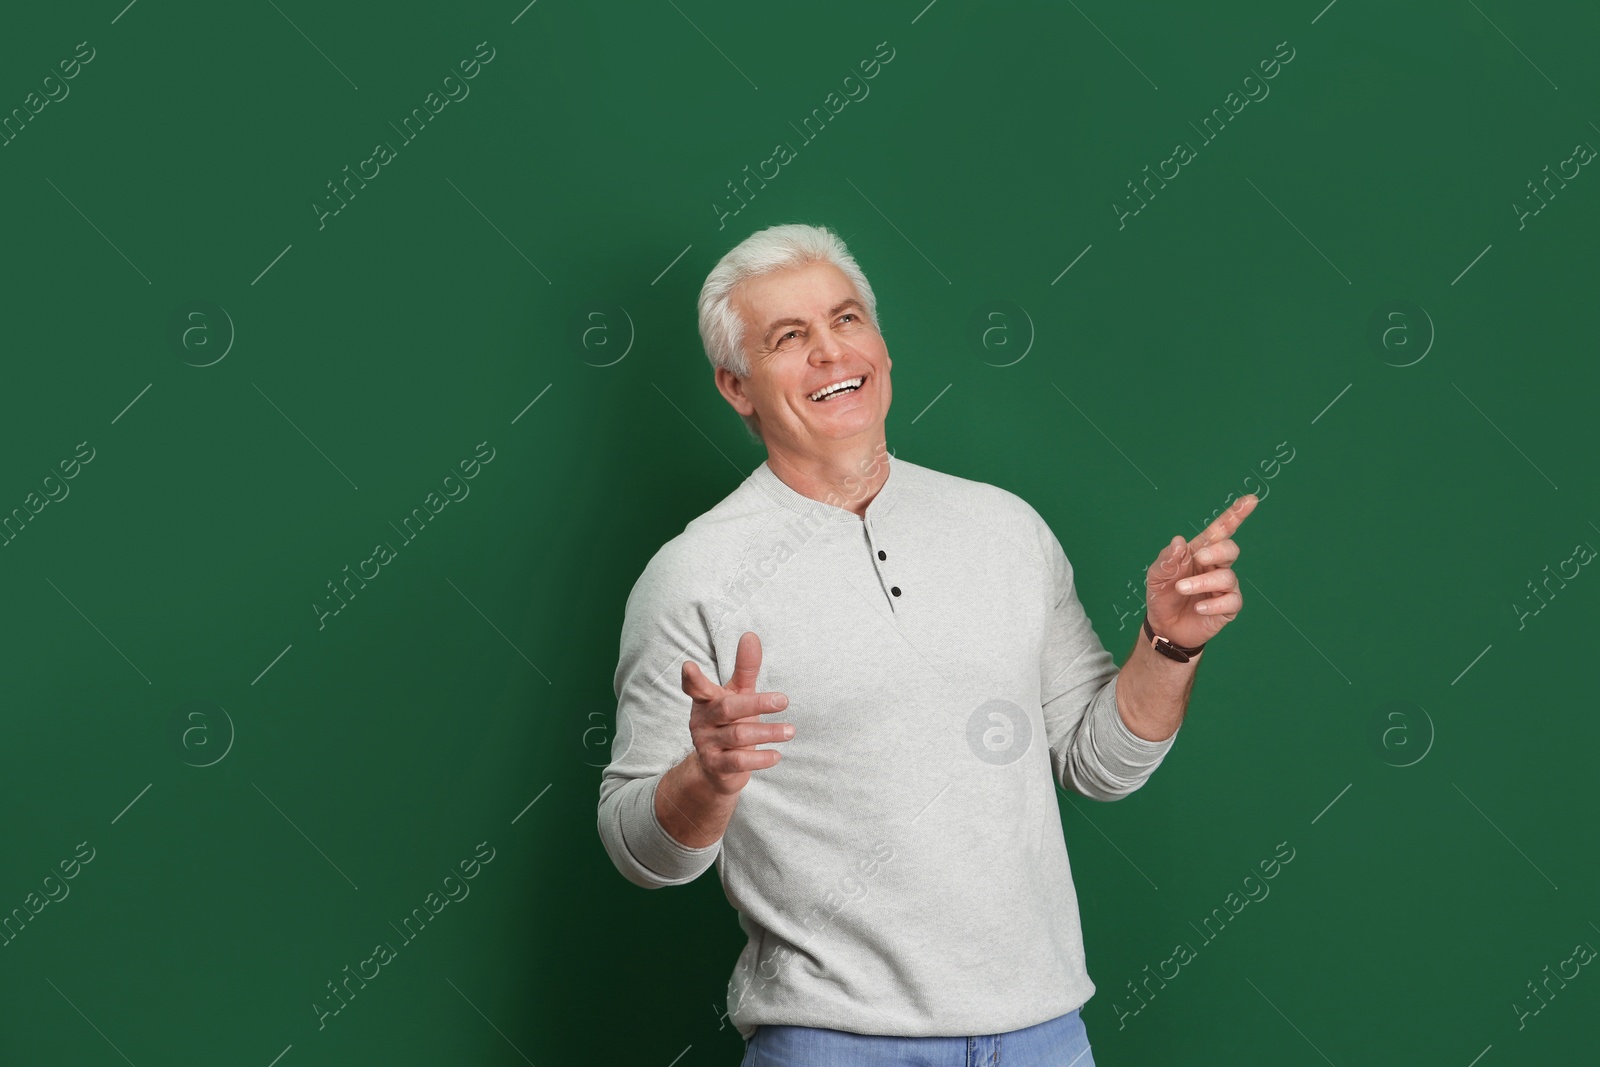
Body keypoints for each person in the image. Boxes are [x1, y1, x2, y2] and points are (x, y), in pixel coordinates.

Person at [596, 223, 1257, 1065]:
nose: (832, 355)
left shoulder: (1004, 527)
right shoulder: (692, 576)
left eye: (846, 321)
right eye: (789, 338)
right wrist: (708, 776)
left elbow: (1100, 765)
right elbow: (636, 850)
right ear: (737, 387)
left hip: (1045, 1036)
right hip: (835, 1044)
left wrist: (1168, 644)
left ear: (883, 349)